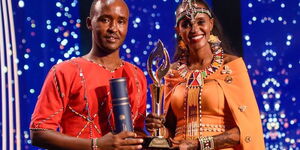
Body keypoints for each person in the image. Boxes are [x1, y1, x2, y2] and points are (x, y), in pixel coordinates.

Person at [145, 0, 265, 149]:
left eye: (200, 21)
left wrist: (199, 144)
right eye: (186, 24)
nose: (194, 29)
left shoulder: (231, 66)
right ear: (178, 30)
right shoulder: (172, 72)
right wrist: (157, 128)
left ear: (211, 24)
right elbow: (170, 129)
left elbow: (248, 128)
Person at [30, 0, 147, 149]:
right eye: (105, 20)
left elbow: (135, 133)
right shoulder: (64, 71)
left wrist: (156, 132)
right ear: (89, 23)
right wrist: (96, 145)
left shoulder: (136, 75)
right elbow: (39, 133)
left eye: (121, 21)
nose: (113, 28)